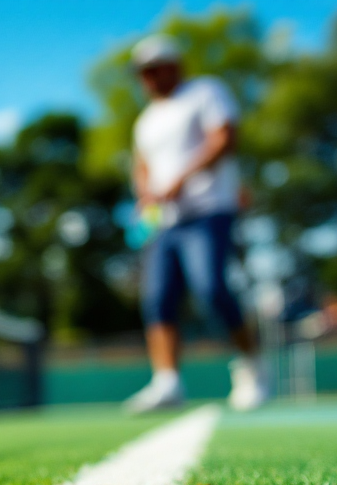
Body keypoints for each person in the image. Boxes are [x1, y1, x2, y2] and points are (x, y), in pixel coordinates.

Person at [124, 34, 269, 413]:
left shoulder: (205, 92)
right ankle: (167, 382)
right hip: (164, 223)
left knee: (211, 288)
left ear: (175, 66)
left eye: (156, 69)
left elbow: (225, 138)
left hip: (208, 211)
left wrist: (180, 179)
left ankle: (251, 366)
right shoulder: (145, 121)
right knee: (157, 299)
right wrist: (145, 194)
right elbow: (141, 166)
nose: (150, 78)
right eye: (144, 72)